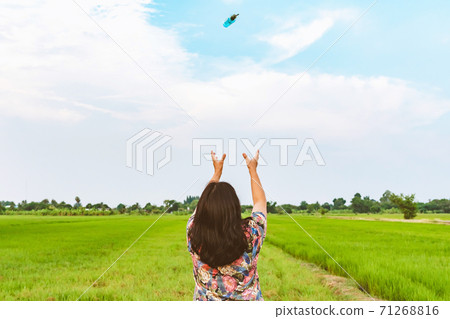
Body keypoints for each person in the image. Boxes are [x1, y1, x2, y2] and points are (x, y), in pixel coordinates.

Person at [186, 150, 267, 301]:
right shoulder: (251, 233)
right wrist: (252, 170)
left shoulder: (193, 233)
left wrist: (217, 173)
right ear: (235, 209)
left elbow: (200, 210)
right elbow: (260, 203)